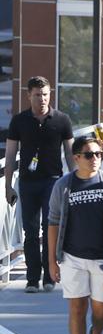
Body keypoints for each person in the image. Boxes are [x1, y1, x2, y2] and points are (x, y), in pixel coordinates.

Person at [47, 136, 103, 334]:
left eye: (99, 154)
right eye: (89, 155)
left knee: (101, 312)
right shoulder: (63, 185)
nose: (95, 159)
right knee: (77, 308)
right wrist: (52, 261)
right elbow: (53, 223)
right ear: (76, 158)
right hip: (72, 257)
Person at [4, 77, 75, 292]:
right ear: (29, 96)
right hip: (27, 182)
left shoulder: (62, 119)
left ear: (50, 94)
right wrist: (8, 186)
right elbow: (10, 155)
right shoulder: (19, 121)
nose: (42, 99)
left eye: (45, 94)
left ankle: (49, 276)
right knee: (31, 230)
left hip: (54, 181)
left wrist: (75, 181)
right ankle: (33, 278)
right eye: (37, 95)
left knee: (50, 227)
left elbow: (70, 153)